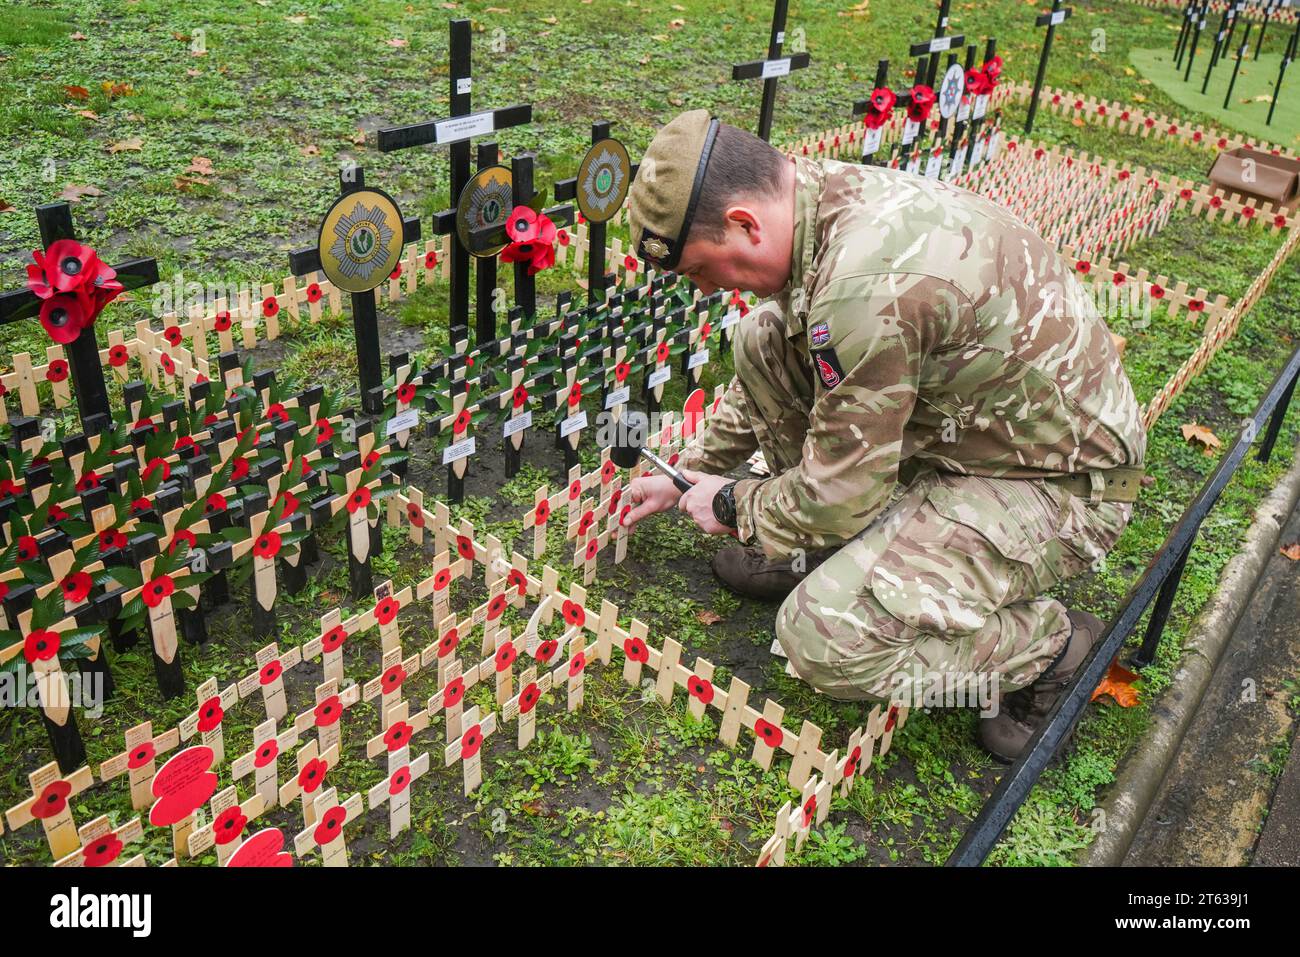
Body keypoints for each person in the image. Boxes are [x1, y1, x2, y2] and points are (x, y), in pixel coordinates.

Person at [620, 110, 1148, 761]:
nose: (706, 287)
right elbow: (790, 343)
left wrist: (731, 502)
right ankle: (825, 551)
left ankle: (1053, 649)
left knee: (822, 639)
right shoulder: (815, 198)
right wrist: (690, 472)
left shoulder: (864, 286)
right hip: (974, 428)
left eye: (701, 269)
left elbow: (841, 491)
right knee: (760, 335)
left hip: (1059, 485)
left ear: (745, 224)